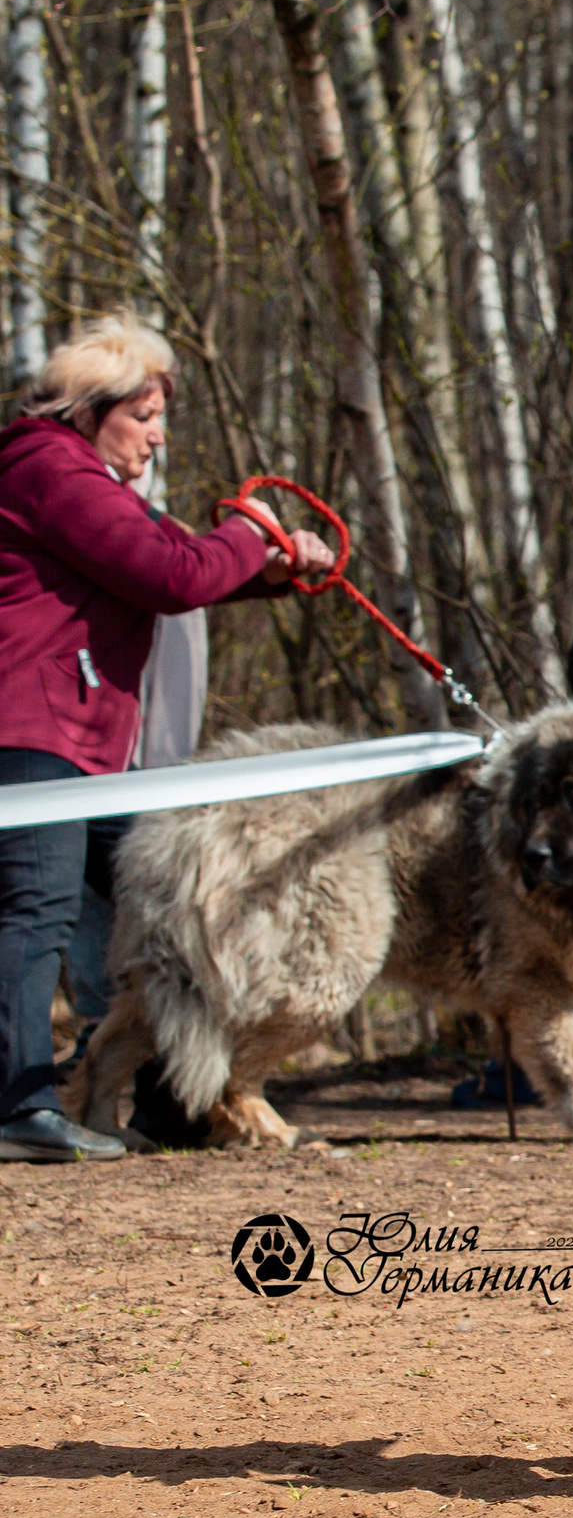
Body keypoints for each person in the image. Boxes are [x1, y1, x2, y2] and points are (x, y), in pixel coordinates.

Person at [0, 314, 333, 1163]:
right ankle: (18, 1104)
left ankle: (175, 1097)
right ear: (91, 406)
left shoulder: (87, 483)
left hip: (87, 746)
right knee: (35, 910)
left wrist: (274, 573)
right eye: (144, 415)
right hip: (29, 728)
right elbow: (169, 572)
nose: (157, 436)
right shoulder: (46, 465)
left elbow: (167, 560)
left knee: (162, 901)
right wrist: (252, 534)